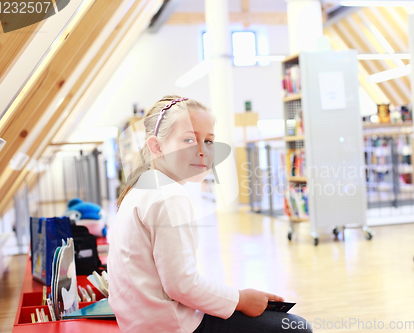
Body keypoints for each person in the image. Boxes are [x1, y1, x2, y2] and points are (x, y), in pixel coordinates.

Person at [108, 95, 313, 333]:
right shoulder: (169, 196)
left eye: (208, 141)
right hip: (172, 326)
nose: (202, 151)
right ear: (157, 147)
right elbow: (181, 285)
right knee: (296, 328)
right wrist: (241, 299)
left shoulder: (142, 187)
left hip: (143, 323)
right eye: (188, 140)